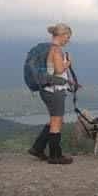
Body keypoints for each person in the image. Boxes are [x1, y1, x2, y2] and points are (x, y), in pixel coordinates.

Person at [28, 23, 75, 165]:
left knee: (54, 120)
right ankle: (55, 155)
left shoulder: (49, 49)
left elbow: (52, 71)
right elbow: (59, 70)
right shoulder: (56, 50)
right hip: (54, 91)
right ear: (61, 35)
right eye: (67, 37)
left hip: (47, 89)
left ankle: (38, 148)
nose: (68, 40)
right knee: (56, 122)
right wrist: (68, 63)